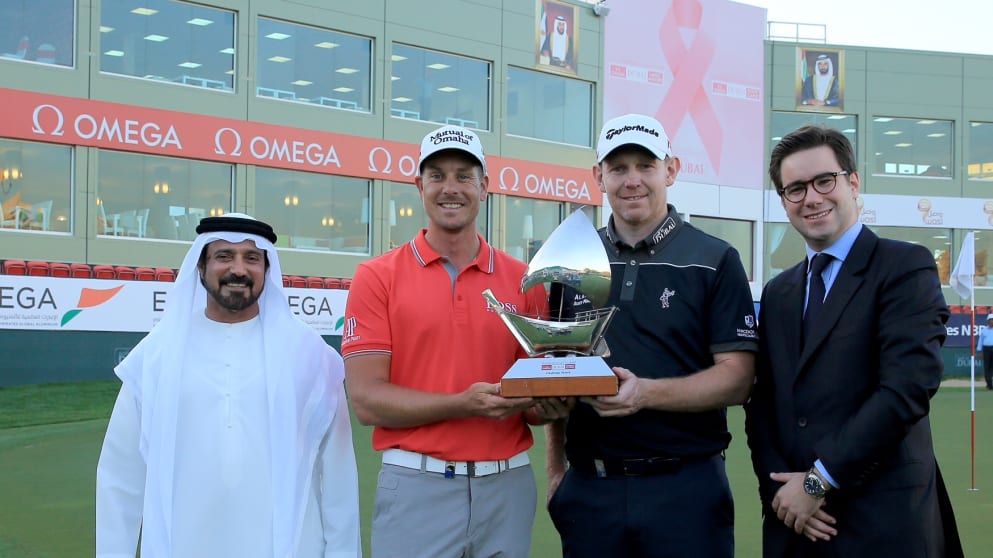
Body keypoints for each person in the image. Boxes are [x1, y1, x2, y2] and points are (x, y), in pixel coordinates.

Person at [341, 124, 569, 558]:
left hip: (507, 487)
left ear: (485, 186)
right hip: (415, 486)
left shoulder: (525, 279)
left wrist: (557, 400)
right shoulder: (377, 277)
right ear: (419, 185)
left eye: (464, 175)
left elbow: (537, 405)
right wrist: (463, 404)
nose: (451, 188)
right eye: (438, 175)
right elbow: (367, 402)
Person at [544, 113, 758, 558]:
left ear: (671, 171)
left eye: (646, 165)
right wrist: (554, 471)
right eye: (618, 168)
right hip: (591, 489)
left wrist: (645, 394)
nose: (632, 181)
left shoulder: (714, 259)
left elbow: (738, 379)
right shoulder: (571, 261)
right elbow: (558, 368)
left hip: (687, 491)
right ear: (599, 176)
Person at [745, 125, 963, 557]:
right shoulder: (779, 291)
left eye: (824, 181)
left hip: (882, 524)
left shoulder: (905, 267)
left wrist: (816, 482)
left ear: (853, 182)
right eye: (795, 188)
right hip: (796, 526)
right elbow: (763, 402)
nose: (811, 197)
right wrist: (784, 495)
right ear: (784, 200)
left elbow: (906, 390)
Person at [96, 213, 361, 558]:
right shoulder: (156, 356)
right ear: (201, 267)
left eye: (252, 258)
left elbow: (337, 477)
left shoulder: (311, 357)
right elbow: (120, 476)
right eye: (224, 256)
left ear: (267, 269)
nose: (239, 269)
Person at [978, 314, 993, 390]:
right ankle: (989, 384)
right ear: (988, 321)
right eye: (990, 320)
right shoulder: (984, 330)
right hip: (986, 349)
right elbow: (980, 341)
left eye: (992, 319)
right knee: (987, 368)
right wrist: (980, 351)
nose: (991, 321)